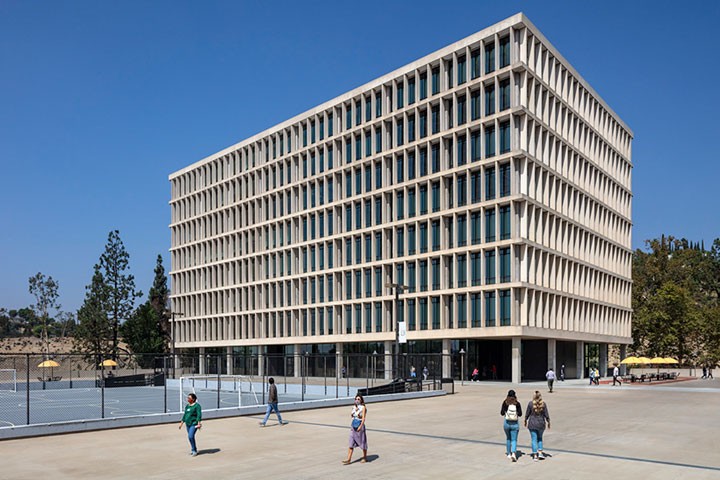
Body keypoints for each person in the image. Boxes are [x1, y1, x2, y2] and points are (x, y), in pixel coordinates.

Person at [524, 391, 551, 461]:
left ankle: (535, 455)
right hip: (541, 423)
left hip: (532, 423)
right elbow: (546, 414)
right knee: (540, 438)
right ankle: (540, 453)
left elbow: (527, 413)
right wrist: (548, 421)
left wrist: (525, 420)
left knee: (534, 439)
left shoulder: (530, 404)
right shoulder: (543, 404)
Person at [343, 394, 368, 464]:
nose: (357, 400)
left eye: (358, 399)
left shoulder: (363, 407)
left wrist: (360, 426)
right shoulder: (354, 407)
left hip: (360, 425)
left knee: (362, 442)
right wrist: (354, 411)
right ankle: (348, 459)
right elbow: (352, 415)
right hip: (353, 425)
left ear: (361, 400)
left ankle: (364, 457)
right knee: (351, 442)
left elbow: (363, 418)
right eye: (356, 399)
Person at [500, 389, 522, 462]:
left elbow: (502, 413)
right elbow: (520, 414)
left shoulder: (505, 402)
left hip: (506, 423)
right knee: (514, 439)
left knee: (508, 438)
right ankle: (513, 453)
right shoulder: (517, 403)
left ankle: (508, 453)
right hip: (515, 423)